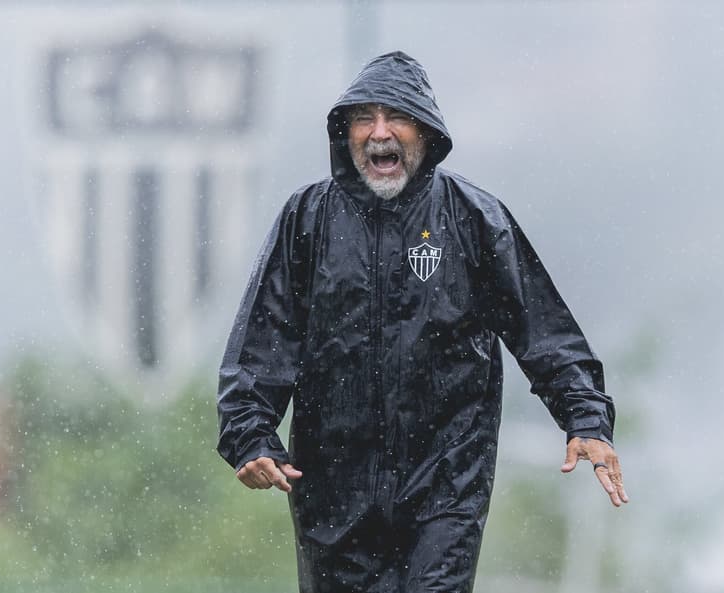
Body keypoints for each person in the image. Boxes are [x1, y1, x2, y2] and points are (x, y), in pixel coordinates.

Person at [217, 51, 627, 593]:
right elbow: (262, 344)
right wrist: (251, 438)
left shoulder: (474, 218)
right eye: (364, 119)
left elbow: (543, 330)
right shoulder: (308, 220)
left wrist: (586, 419)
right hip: (333, 491)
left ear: (425, 131)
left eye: (396, 118)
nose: (379, 133)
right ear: (346, 133)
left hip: (445, 485)